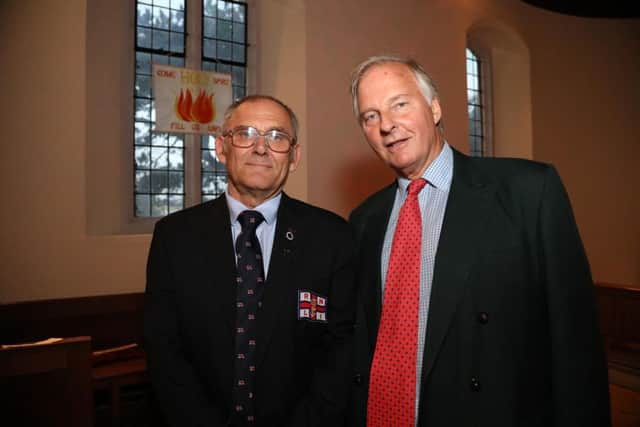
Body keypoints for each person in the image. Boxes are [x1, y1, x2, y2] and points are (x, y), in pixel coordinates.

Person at [347, 55, 610, 426]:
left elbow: (575, 345)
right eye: (370, 116)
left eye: (400, 104)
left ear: (434, 107)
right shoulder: (363, 221)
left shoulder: (528, 192)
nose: (387, 125)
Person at [144, 95, 356, 427]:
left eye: (277, 137)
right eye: (245, 134)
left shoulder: (332, 237)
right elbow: (164, 350)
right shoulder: (174, 237)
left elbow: (342, 351)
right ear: (220, 147)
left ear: (294, 156)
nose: (261, 148)